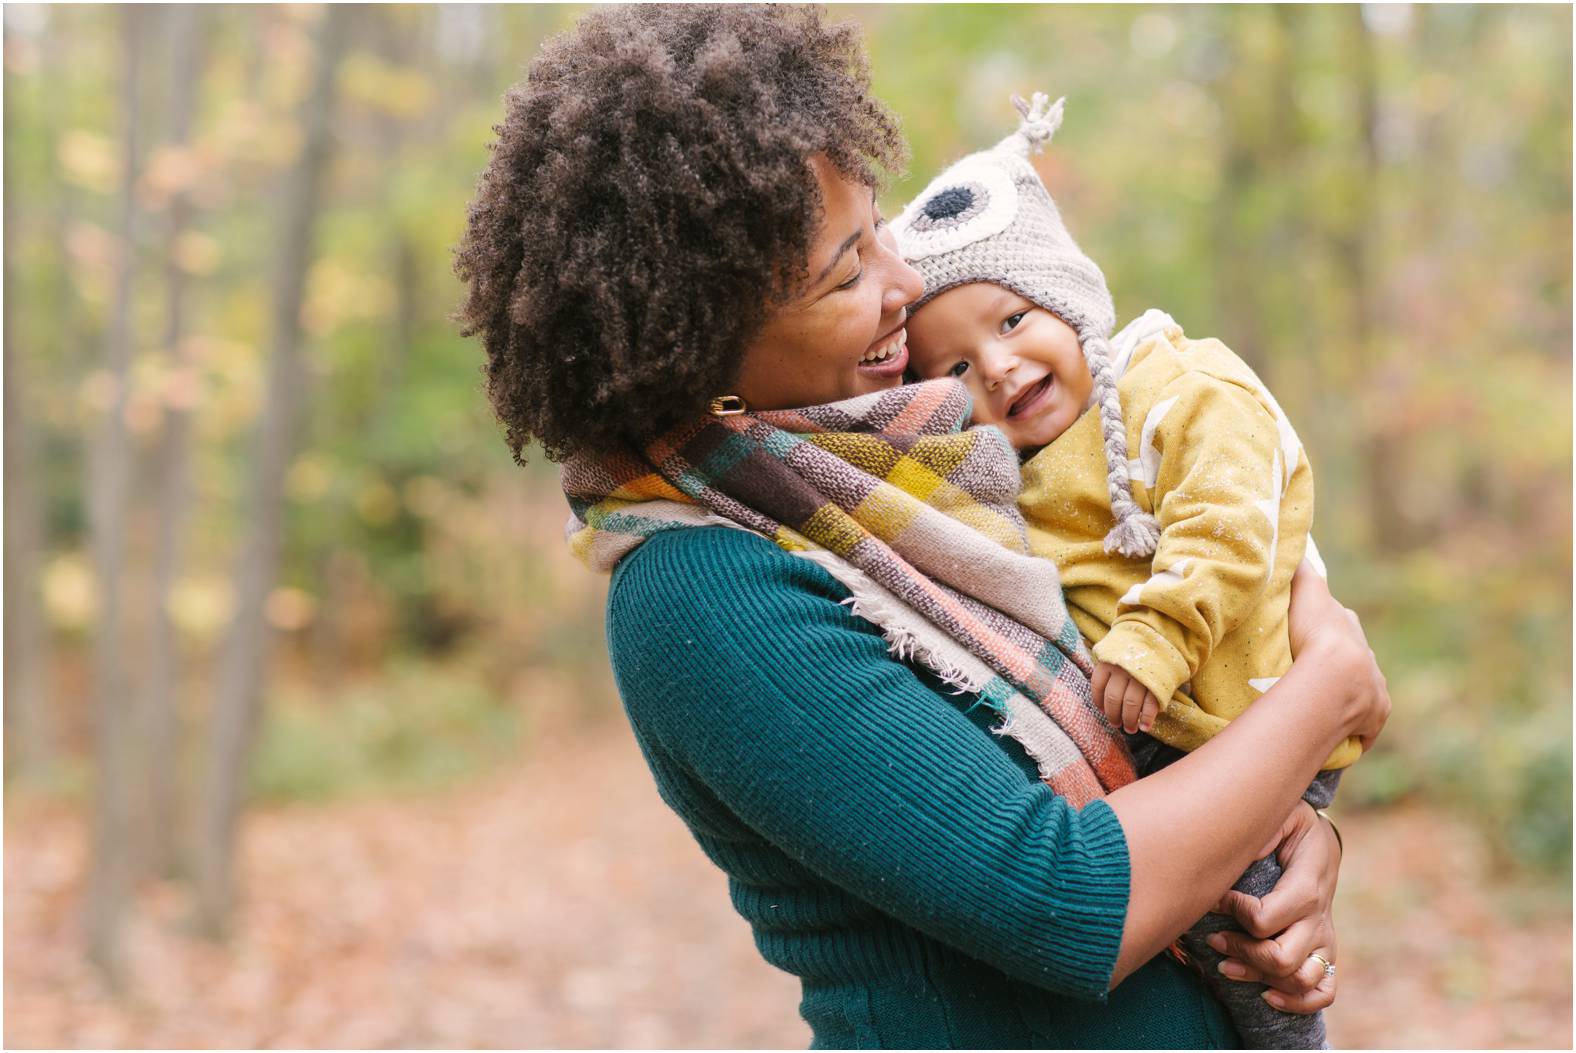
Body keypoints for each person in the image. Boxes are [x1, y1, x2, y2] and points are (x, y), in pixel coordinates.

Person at [453, 6, 1389, 1048]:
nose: (906, 284)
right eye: (846, 275)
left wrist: (1297, 840)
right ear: (701, 358)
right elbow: (1069, 901)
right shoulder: (702, 591)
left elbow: (1148, 753)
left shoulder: (926, 492)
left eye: (879, 233)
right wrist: (1326, 692)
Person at [896, 91, 1360, 1049]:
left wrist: (1161, 630)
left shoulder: (1173, 389)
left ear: (1067, 298)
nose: (997, 367)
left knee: (1261, 963)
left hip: (1229, 708)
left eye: (1014, 319)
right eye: (952, 370)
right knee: (1203, 936)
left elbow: (1229, 515)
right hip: (1160, 747)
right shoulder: (1010, 484)